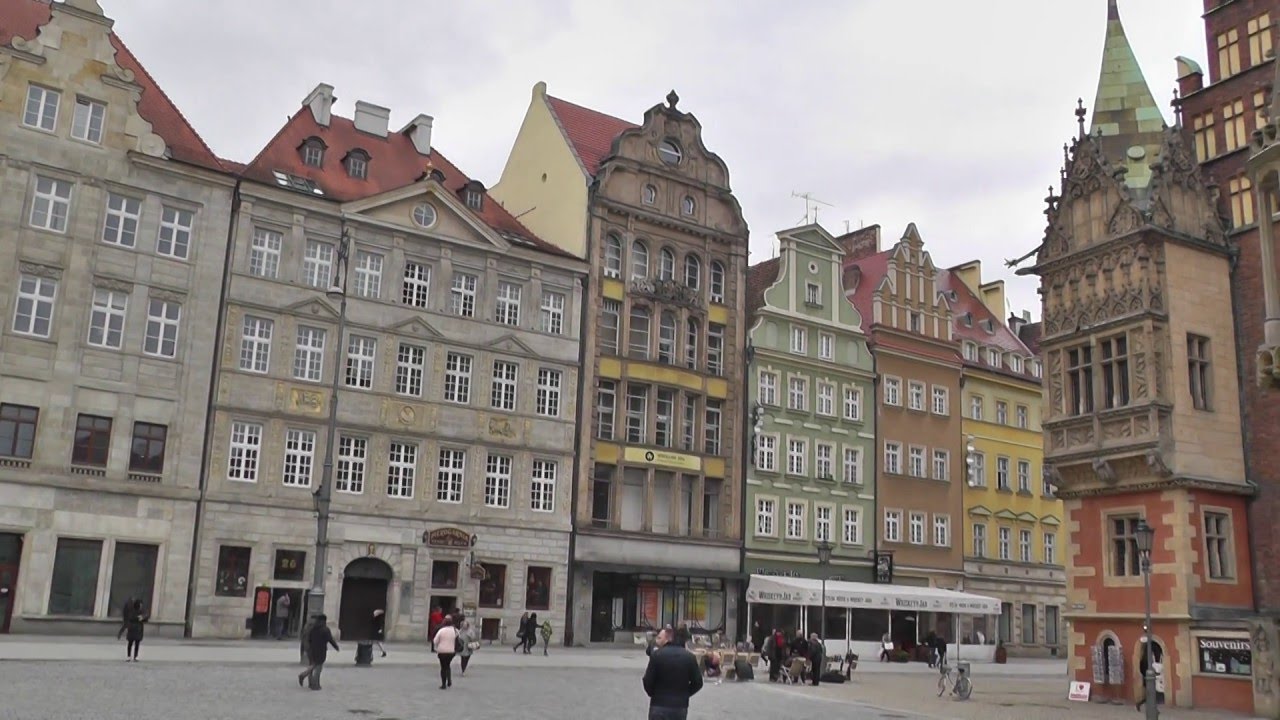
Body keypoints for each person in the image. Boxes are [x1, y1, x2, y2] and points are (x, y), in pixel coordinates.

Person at [642, 626, 703, 720]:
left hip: (658, 704)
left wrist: (653, 694)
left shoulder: (657, 655)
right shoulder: (689, 657)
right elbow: (698, 682)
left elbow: (647, 680)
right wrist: (685, 694)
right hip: (679, 706)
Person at [298, 614, 339, 691]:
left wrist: (307, 648)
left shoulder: (312, 628)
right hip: (321, 650)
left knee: (313, 664)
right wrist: (336, 647)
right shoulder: (325, 629)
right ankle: (314, 683)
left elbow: (308, 638)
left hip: (311, 649)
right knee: (318, 667)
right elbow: (330, 639)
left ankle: (310, 682)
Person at [433, 617, 459, 689]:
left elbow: (435, 641)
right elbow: (458, 639)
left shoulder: (442, 630)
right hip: (451, 651)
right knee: (448, 665)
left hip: (442, 651)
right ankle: (449, 680)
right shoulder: (455, 630)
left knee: (443, 668)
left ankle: (443, 684)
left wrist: (436, 647)